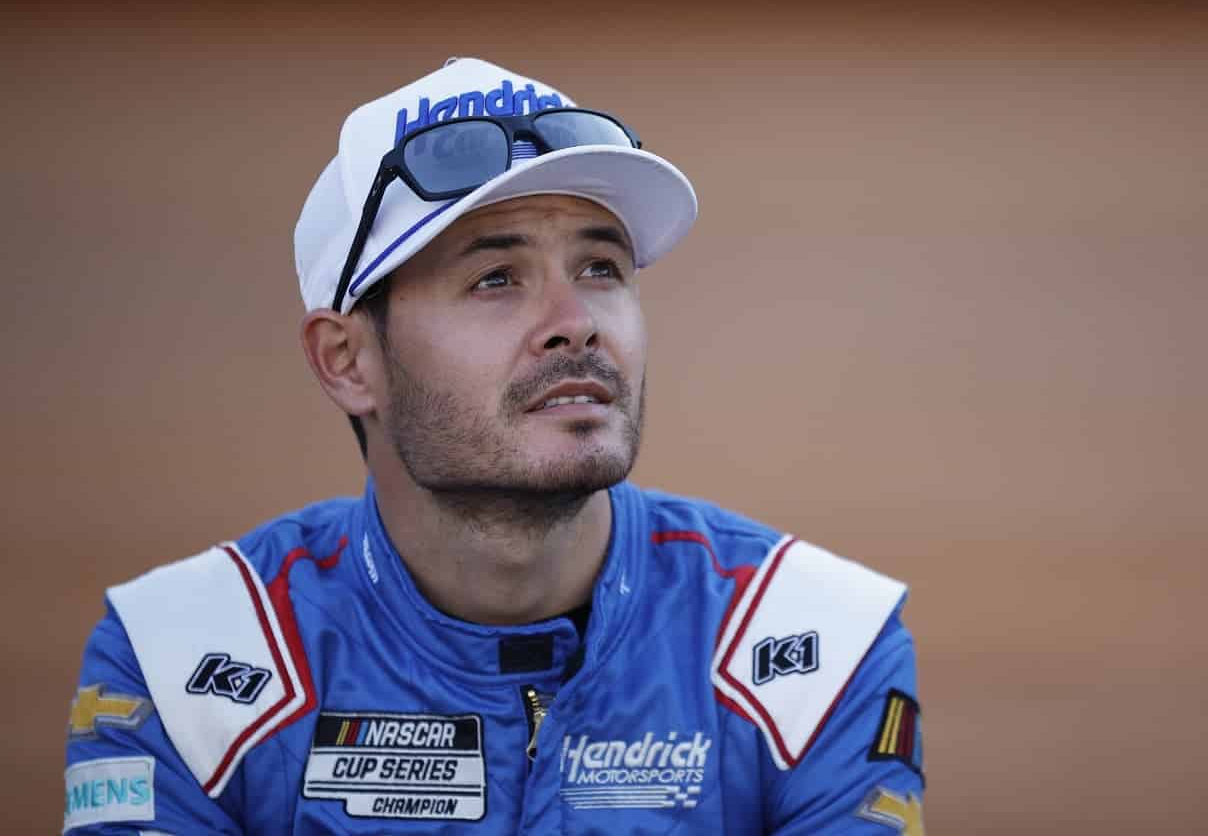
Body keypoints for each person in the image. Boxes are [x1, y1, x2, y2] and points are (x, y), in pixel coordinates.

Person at [64, 58, 924, 834]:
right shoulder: (185, 661)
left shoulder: (810, 644)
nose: (575, 325)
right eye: (496, 280)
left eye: (601, 269)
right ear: (348, 360)